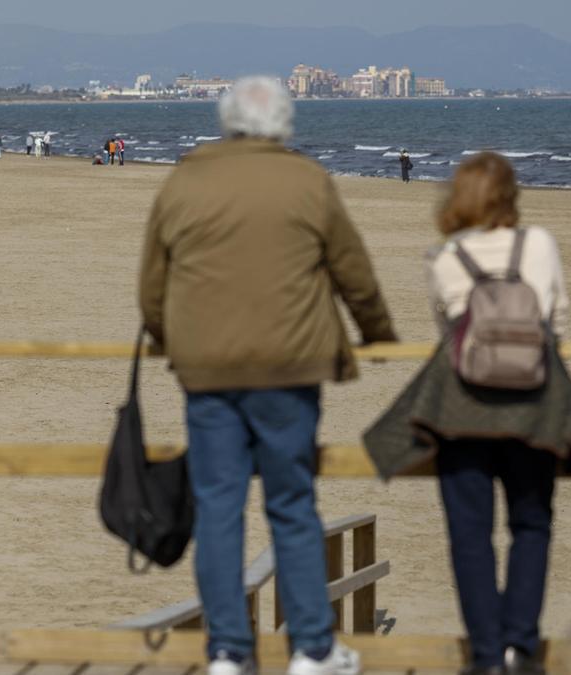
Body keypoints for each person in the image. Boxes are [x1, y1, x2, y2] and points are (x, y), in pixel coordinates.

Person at [139, 76, 396, 675]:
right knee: (292, 506)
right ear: (283, 125)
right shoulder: (306, 180)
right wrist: (378, 333)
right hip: (289, 368)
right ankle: (312, 648)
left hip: (207, 370)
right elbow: (353, 272)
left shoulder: (185, 179)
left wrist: (165, 338)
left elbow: (153, 283)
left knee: (219, 509)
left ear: (227, 122)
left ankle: (228, 650)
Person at [364, 153, 571, 675]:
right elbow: (557, 318)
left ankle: (484, 654)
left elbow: (448, 333)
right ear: (509, 197)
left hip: (461, 409)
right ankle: (521, 645)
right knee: (532, 523)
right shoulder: (537, 244)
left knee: (470, 533)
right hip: (533, 405)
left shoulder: (446, 256)